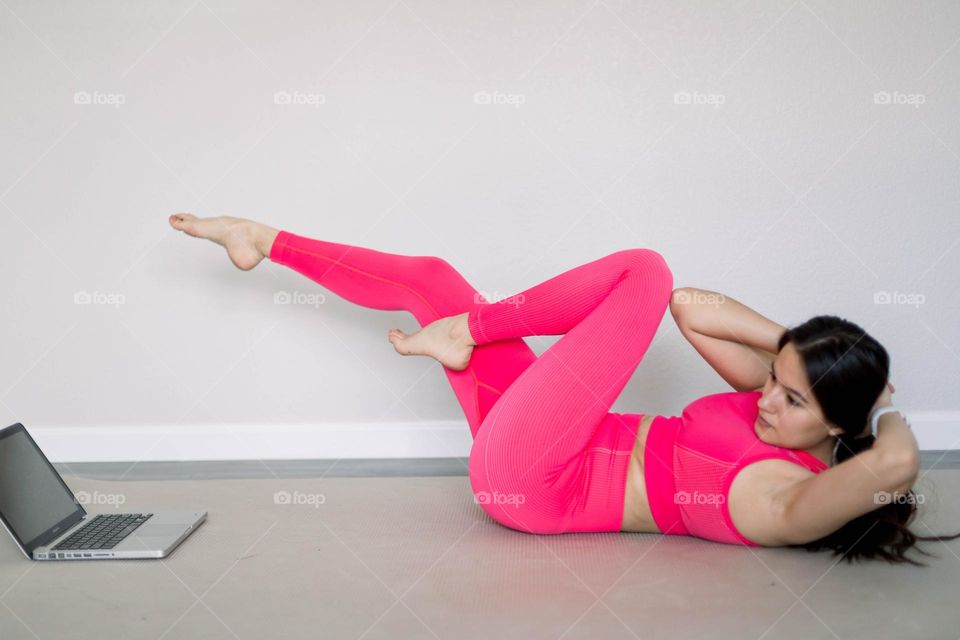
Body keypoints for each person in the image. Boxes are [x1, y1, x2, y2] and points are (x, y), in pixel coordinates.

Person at [168, 213, 959, 565]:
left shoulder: (795, 503)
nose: (766, 400)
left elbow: (890, 468)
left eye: (790, 399)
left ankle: (465, 334)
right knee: (435, 278)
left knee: (642, 268)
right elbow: (694, 312)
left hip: (534, 480)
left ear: (841, 425)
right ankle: (261, 238)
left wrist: (886, 404)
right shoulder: (794, 415)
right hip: (553, 431)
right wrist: (803, 355)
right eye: (776, 383)